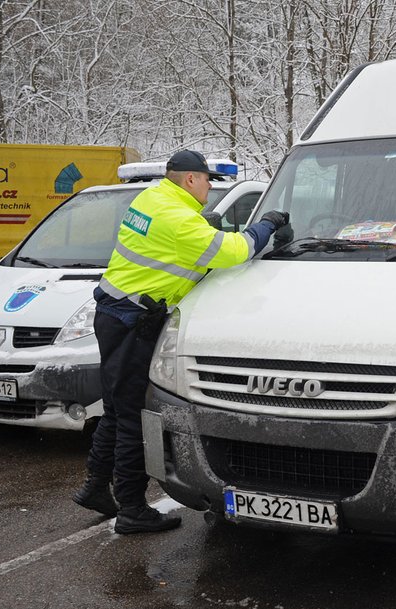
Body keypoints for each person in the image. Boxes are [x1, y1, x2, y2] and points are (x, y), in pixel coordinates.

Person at [72, 149, 292, 533]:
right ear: (190, 179)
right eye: (207, 180)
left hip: (114, 312)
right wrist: (267, 225)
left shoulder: (152, 198)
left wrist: (206, 226)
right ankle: (131, 509)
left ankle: (95, 487)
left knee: (115, 407)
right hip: (133, 321)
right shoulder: (177, 219)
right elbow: (234, 251)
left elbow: (177, 247)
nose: (209, 187)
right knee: (132, 418)